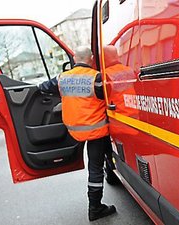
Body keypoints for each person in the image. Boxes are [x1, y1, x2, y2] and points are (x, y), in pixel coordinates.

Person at [39, 46, 116, 221]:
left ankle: (108, 178)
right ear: (91, 58)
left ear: (74, 59)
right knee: (95, 169)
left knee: (96, 167)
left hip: (73, 132)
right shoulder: (97, 78)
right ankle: (95, 208)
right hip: (96, 132)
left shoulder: (62, 78)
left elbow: (42, 87)